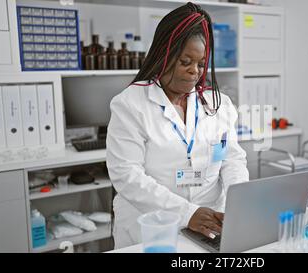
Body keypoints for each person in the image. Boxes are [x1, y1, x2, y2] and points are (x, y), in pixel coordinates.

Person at [106, 2, 249, 249]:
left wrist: (238, 203)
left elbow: (231, 159)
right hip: (151, 227)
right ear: (165, 54)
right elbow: (126, 175)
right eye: (185, 61)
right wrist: (187, 212)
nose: (195, 71)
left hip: (209, 226)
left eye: (201, 64)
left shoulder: (218, 104)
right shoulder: (130, 104)